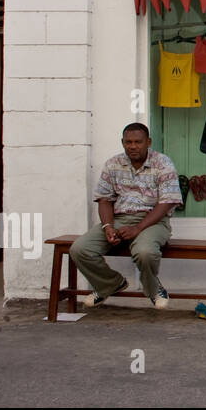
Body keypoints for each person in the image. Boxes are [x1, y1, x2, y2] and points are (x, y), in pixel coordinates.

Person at [69, 123, 182, 309]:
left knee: (145, 253)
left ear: (148, 142)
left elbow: (167, 202)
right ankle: (110, 284)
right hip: (119, 219)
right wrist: (108, 227)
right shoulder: (113, 164)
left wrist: (137, 228)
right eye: (128, 142)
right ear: (122, 142)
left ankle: (153, 289)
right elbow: (104, 199)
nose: (133, 146)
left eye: (138, 142)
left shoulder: (163, 163)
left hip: (153, 221)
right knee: (79, 249)